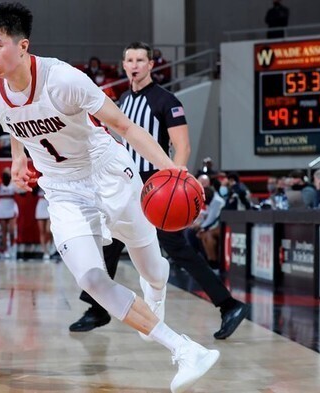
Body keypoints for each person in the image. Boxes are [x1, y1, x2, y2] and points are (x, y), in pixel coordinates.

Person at [0, 5, 218, 392]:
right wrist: (18, 159)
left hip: (106, 173)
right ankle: (185, 350)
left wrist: (173, 170)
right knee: (91, 278)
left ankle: (156, 286)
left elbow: (124, 125)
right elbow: (14, 124)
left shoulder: (64, 80)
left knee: (153, 269)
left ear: (22, 46)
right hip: (61, 189)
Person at [70, 41, 248, 342]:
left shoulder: (166, 100)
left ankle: (228, 304)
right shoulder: (124, 99)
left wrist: (175, 183)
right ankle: (98, 308)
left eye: (141, 59)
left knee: (176, 247)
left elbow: (183, 147)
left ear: (151, 65)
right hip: (124, 181)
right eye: (130, 59)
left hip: (156, 186)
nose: (135, 64)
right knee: (110, 241)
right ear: (124, 65)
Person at [0, 168, 19, 260]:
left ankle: (12, 248)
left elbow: (22, 194)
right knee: (4, 231)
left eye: (8, 175)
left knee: (12, 230)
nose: (6, 176)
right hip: (1, 207)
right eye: (4, 174)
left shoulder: (13, 185)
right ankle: (5, 250)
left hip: (11, 207)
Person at [34, 185, 52, 261]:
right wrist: (36, 185)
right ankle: (45, 251)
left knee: (49, 230)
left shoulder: (50, 181)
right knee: (42, 231)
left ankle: (51, 245)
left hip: (48, 204)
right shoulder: (37, 183)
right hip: (40, 204)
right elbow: (33, 193)